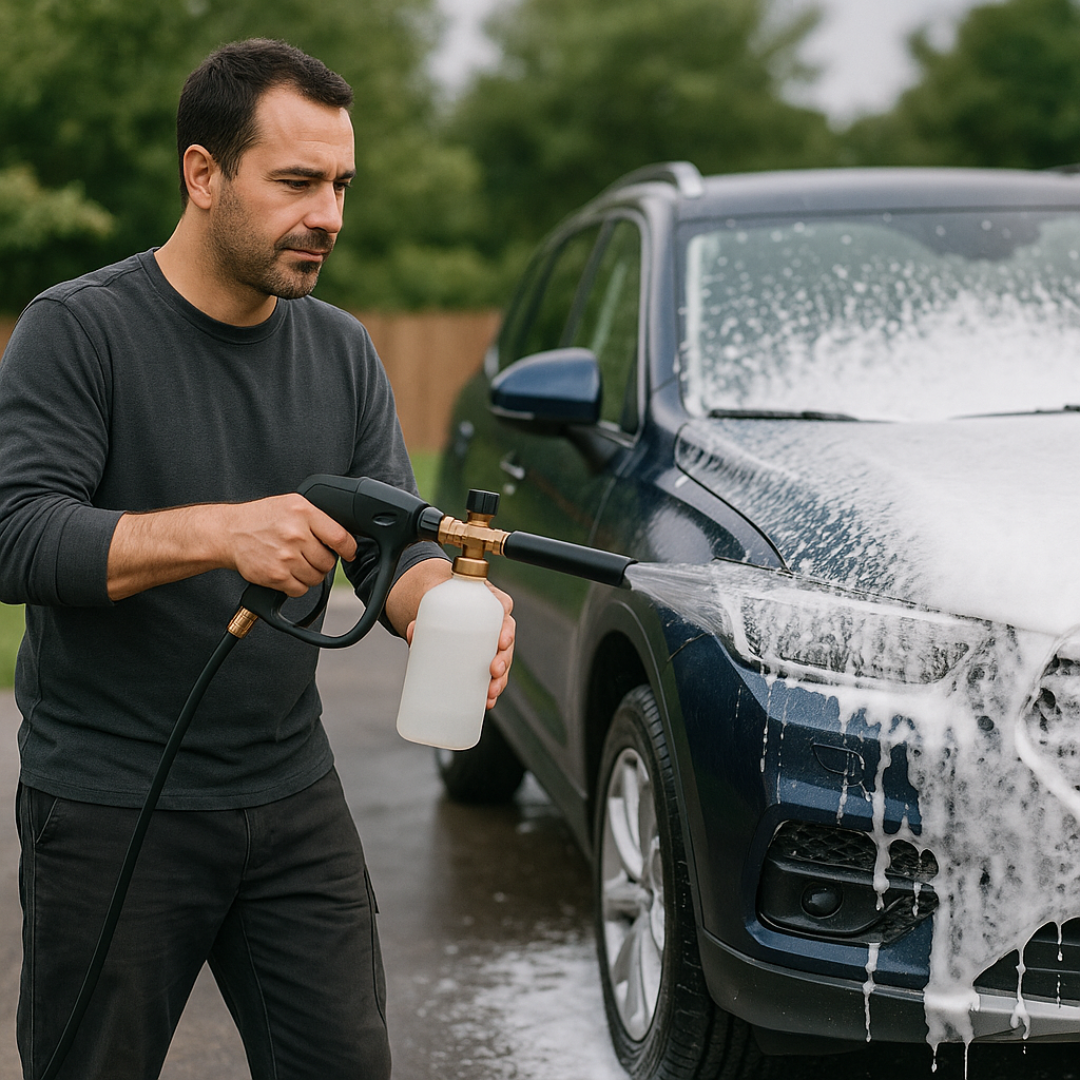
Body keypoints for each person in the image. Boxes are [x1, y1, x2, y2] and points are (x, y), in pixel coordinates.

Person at [0, 38, 514, 1080]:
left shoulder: (342, 349)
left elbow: (390, 549)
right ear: (203, 175)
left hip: (292, 795)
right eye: (296, 181)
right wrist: (223, 531)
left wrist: (435, 608)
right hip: (110, 804)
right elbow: (16, 533)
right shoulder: (80, 330)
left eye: (339, 184)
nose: (327, 212)